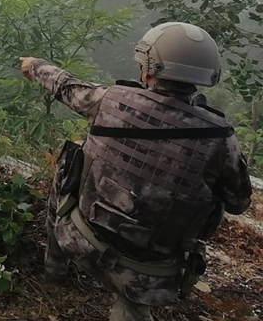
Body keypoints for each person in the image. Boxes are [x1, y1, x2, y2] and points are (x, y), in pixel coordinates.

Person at [19, 22, 252, 321]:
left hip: (81, 241)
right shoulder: (221, 138)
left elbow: (66, 86)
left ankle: (54, 267)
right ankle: (132, 309)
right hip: (152, 274)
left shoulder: (111, 101)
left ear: (147, 67)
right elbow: (238, 202)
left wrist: (34, 65)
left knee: (70, 159)